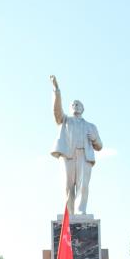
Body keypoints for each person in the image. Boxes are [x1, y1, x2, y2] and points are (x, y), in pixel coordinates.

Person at [50, 75, 103, 215]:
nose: (75, 106)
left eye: (78, 104)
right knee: (68, 185)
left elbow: (100, 145)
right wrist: (56, 90)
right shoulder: (66, 120)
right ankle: (69, 213)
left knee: (83, 185)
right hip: (68, 155)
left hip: (84, 156)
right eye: (73, 104)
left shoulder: (90, 126)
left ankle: (81, 211)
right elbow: (57, 112)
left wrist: (94, 139)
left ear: (83, 109)